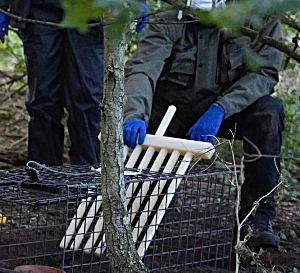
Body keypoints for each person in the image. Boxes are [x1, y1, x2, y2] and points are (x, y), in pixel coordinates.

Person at [122, 2, 284, 249]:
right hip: (172, 111)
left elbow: (263, 73)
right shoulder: (169, 19)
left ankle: (257, 220)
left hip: (228, 109)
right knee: (144, 203)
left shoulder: (259, 18)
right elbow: (143, 69)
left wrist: (221, 108)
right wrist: (135, 114)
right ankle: (144, 211)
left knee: (269, 114)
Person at [0, 1, 149, 166]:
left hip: (89, 11)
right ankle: (43, 177)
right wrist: (1, 6)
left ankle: (88, 177)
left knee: (87, 97)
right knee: (43, 97)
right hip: (38, 10)